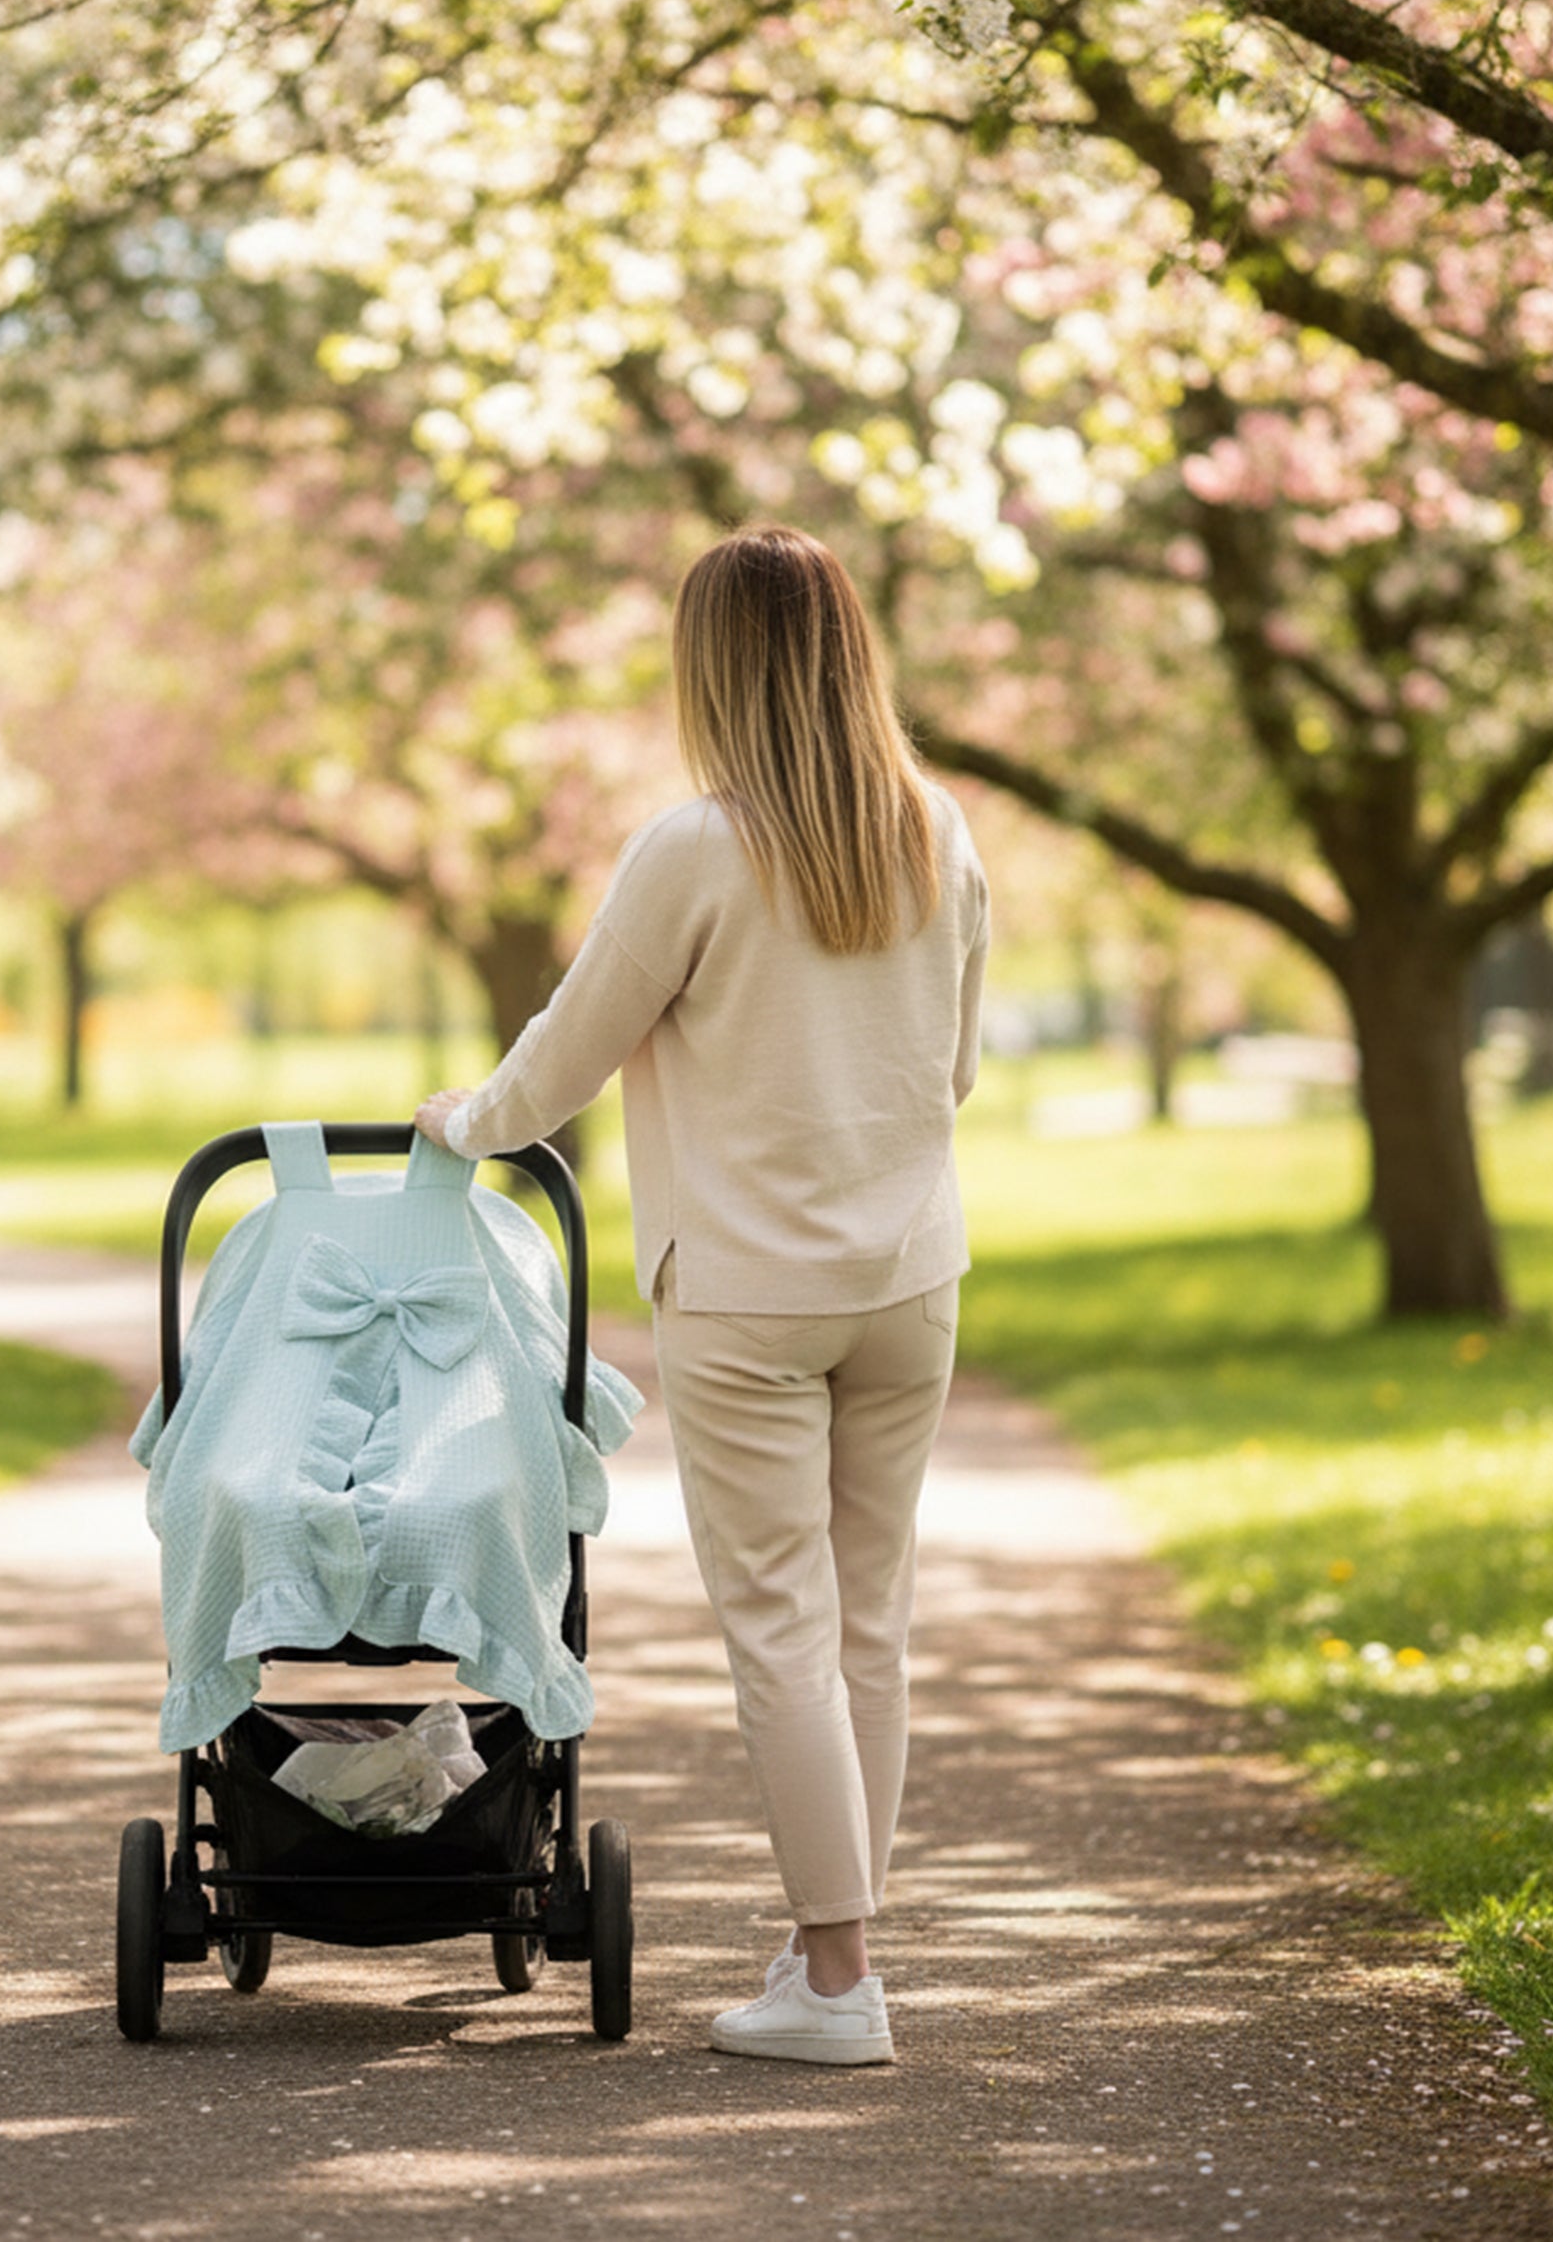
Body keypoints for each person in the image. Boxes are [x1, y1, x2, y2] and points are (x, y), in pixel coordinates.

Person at [414, 522, 987, 2068]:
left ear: (712, 672)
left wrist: (464, 1121)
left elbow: (565, 1056)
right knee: (875, 1619)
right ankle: (836, 1949)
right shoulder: (939, 829)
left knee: (785, 1629)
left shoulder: (696, 850)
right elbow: (956, 1070)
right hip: (908, 1278)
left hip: (748, 1291)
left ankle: (838, 1975)